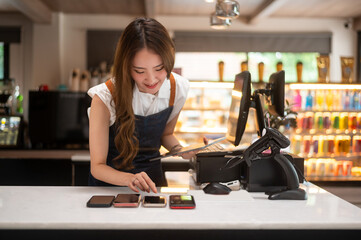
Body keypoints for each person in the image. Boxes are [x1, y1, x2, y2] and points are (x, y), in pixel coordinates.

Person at [87, 17, 196, 193]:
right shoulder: (105, 97)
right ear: (126, 66)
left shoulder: (177, 88)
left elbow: (166, 134)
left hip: (153, 184)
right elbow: (97, 166)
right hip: (109, 189)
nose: (151, 80)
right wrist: (130, 178)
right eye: (139, 71)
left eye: (159, 68)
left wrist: (181, 150)